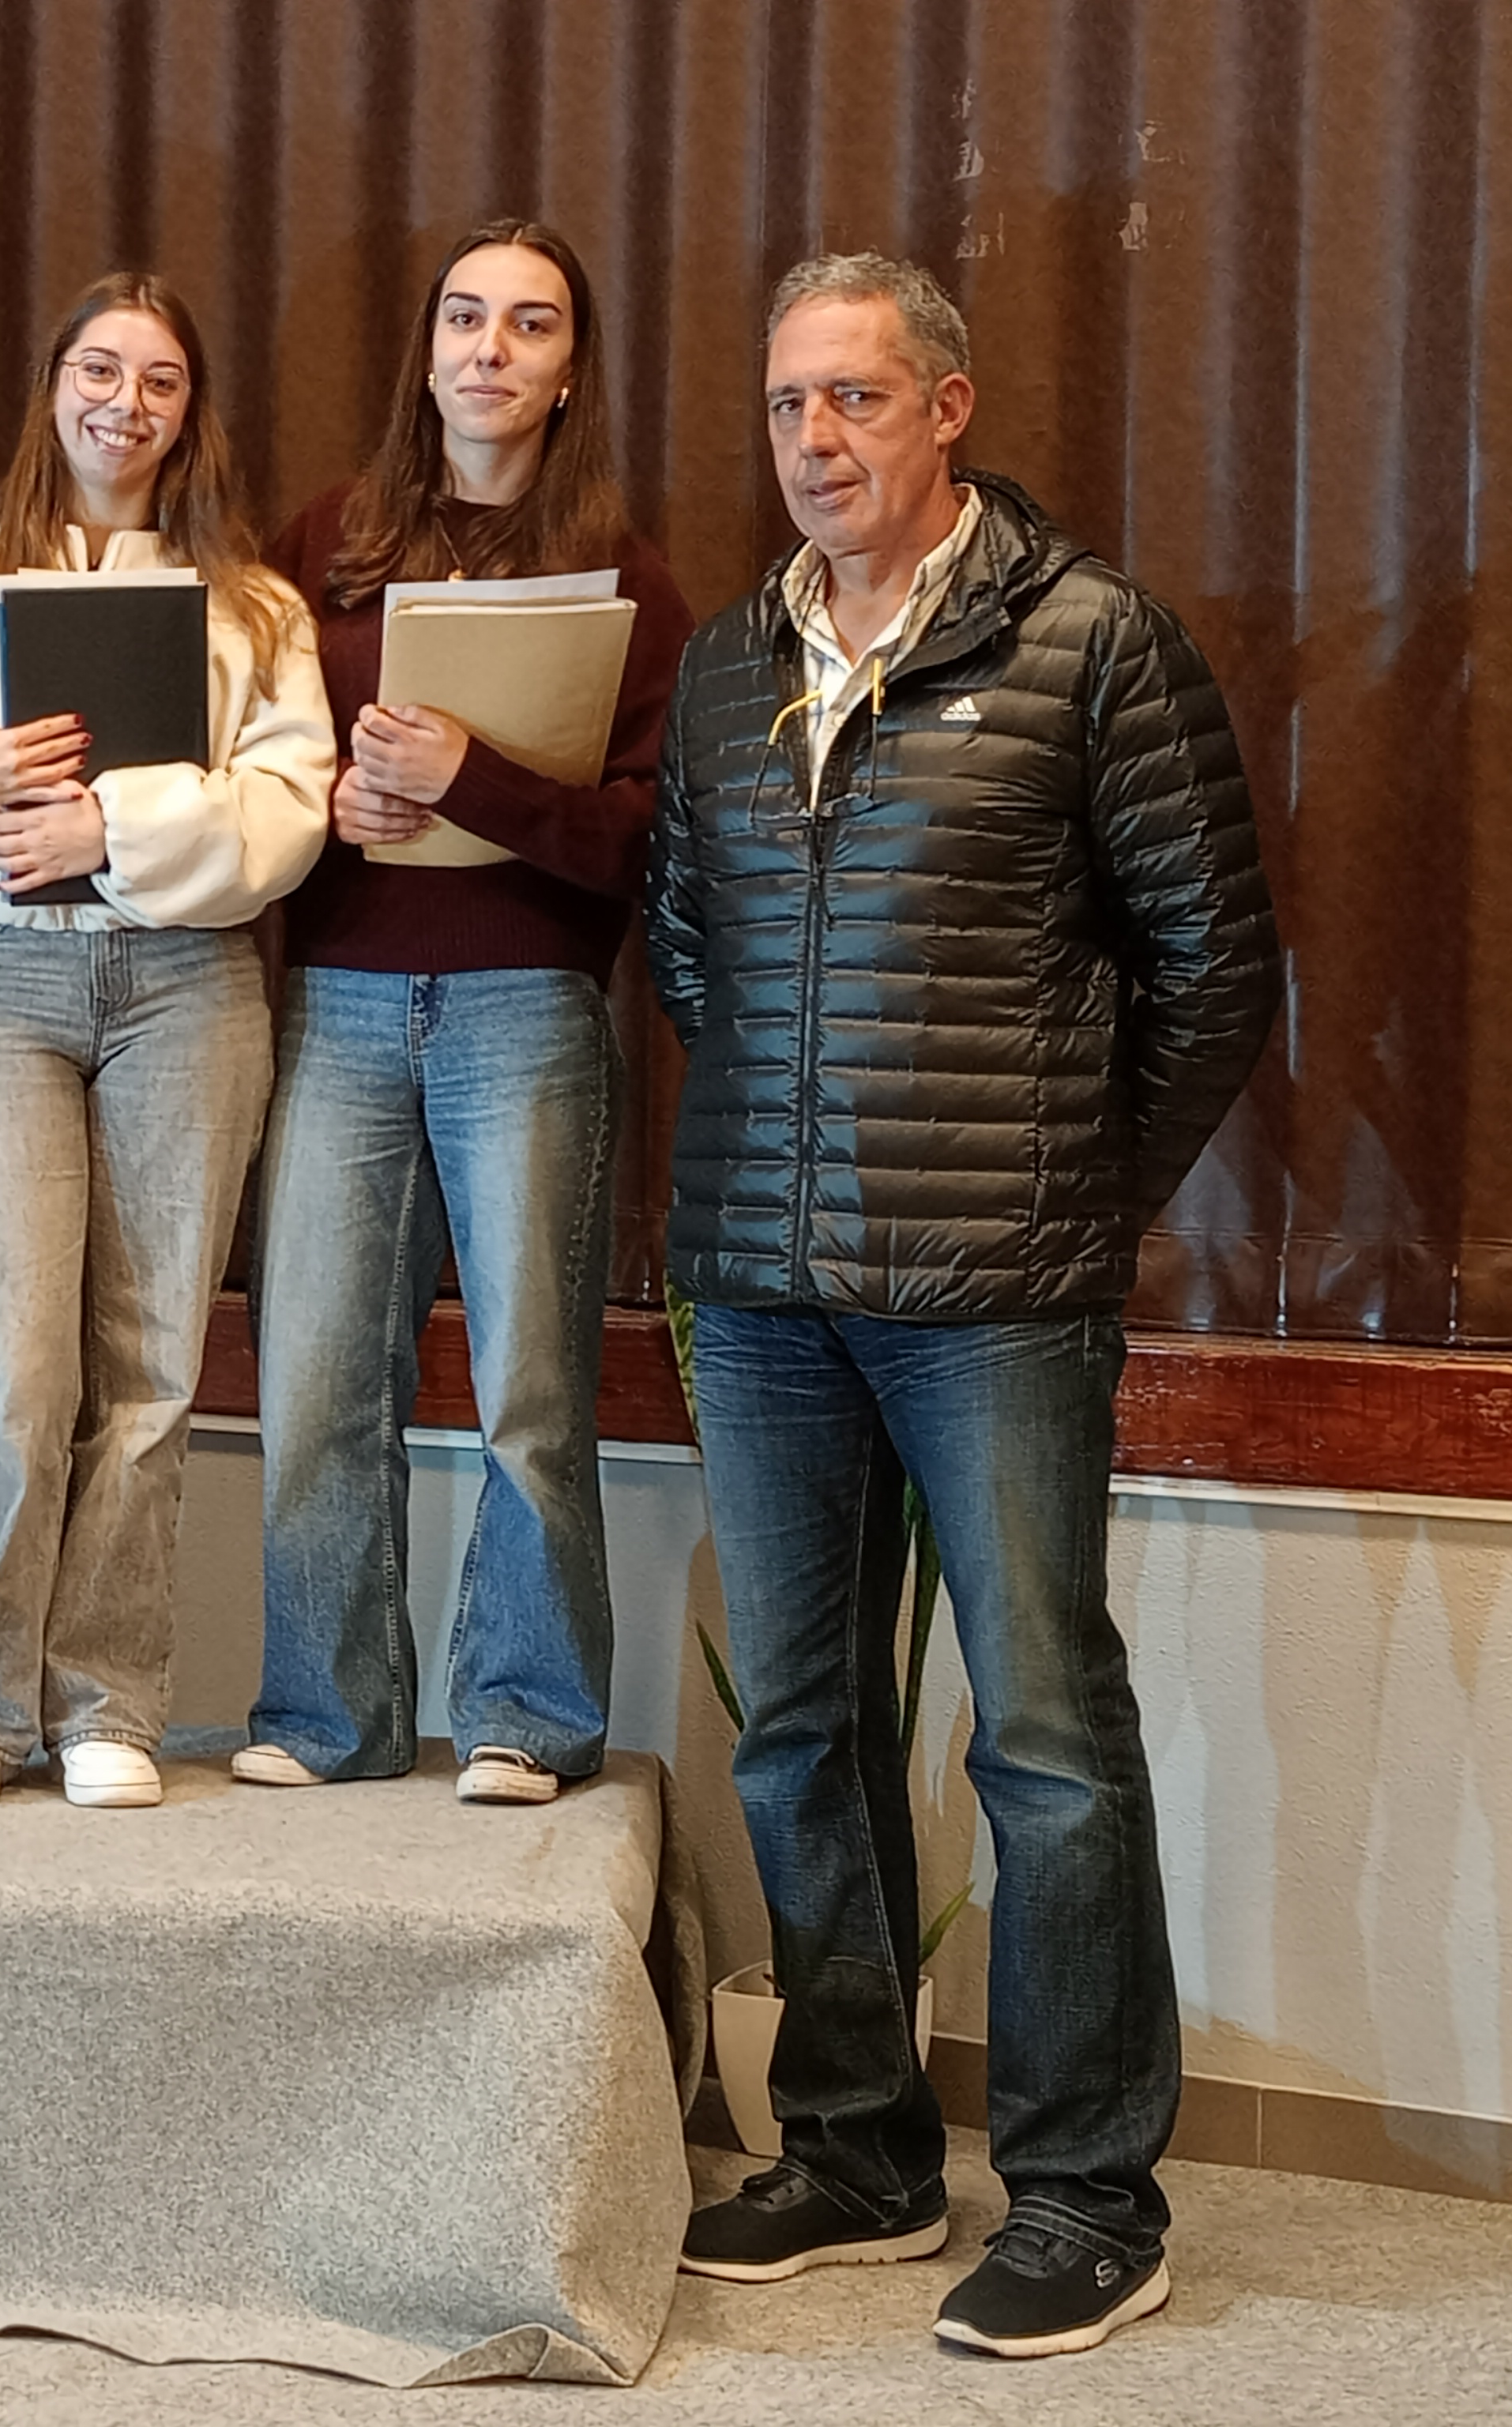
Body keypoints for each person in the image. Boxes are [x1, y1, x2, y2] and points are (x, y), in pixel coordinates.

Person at [651, 253, 1278, 2357]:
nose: (814, 440)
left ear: (948, 409)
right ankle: (856, 2151)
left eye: (854, 397)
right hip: (763, 1285)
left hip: (998, 1289)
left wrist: (1073, 1192)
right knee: (800, 1732)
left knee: (1047, 1738)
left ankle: (1092, 2197)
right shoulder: (730, 661)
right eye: (786, 405)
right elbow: (687, 940)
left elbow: (1217, 970)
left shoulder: (1094, 641)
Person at [0, 270, 331, 1811]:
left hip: (188, 985)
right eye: (100, 370)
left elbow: (289, 814)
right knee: (6, 1365)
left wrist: (114, 829)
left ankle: (109, 1702)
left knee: (153, 1365)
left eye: (159, 380)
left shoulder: (256, 607)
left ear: (192, 412)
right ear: (54, 387)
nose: (127, 402)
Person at [245, 218, 693, 1804]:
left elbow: (648, 840)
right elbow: (246, 757)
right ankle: (329, 1717)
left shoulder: (626, 578)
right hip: (342, 998)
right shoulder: (324, 541)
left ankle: (525, 1716)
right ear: (426, 353)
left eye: (530, 324)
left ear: (571, 372)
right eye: (464, 318)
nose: (490, 349)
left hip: (529, 1008)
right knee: (318, 1383)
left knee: (533, 1391)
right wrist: (324, 811)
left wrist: (472, 783)